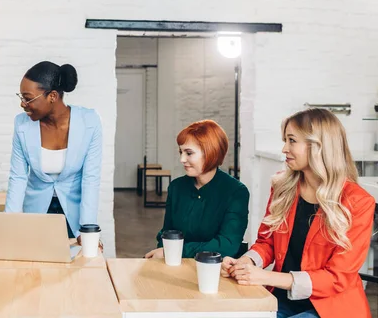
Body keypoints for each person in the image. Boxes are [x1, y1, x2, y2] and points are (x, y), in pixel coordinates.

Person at [222, 108, 375, 318]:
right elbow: (267, 243)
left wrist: (266, 278)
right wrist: (245, 264)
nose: (284, 148)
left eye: (292, 140)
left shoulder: (358, 202)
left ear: (318, 146)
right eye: (285, 140)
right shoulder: (282, 187)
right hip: (281, 299)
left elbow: (337, 277)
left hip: (329, 308)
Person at [5, 61, 103, 243]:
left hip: (74, 214)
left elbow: (91, 178)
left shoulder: (89, 122)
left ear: (52, 96)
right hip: (35, 212)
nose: (22, 104)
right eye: (21, 97)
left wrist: (87, 228)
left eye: (28, 98)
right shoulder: (22, 124)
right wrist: (10, 224)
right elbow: (18, 177)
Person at [145, 120, 249, 259]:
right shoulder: (176, 187)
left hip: (216, 270)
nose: (182, 159)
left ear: (211, 152)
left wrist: (173, 252)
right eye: (181, 152)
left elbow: (227, 245)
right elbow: (167, 233)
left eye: (189, 153)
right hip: (176, 266)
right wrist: (164, 252)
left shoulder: (236, 192)